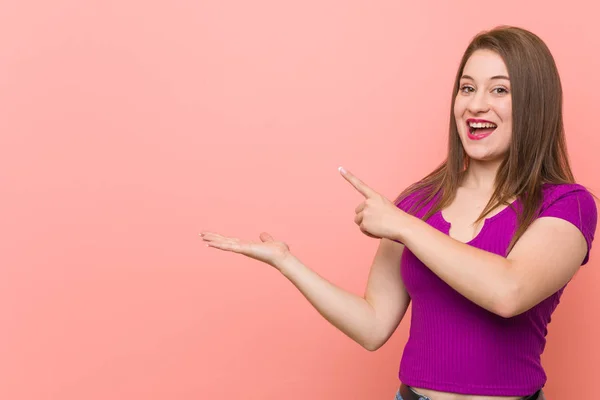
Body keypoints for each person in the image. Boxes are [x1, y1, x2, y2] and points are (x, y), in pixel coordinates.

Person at [200, 25, 597, 400]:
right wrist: (287, 263)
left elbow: (509, 292)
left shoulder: (568, 204)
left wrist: (404, 226)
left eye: (499, 91)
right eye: (467, 88)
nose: (476, 104)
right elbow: (372, 325)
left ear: (535, 104)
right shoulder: (419, 204)